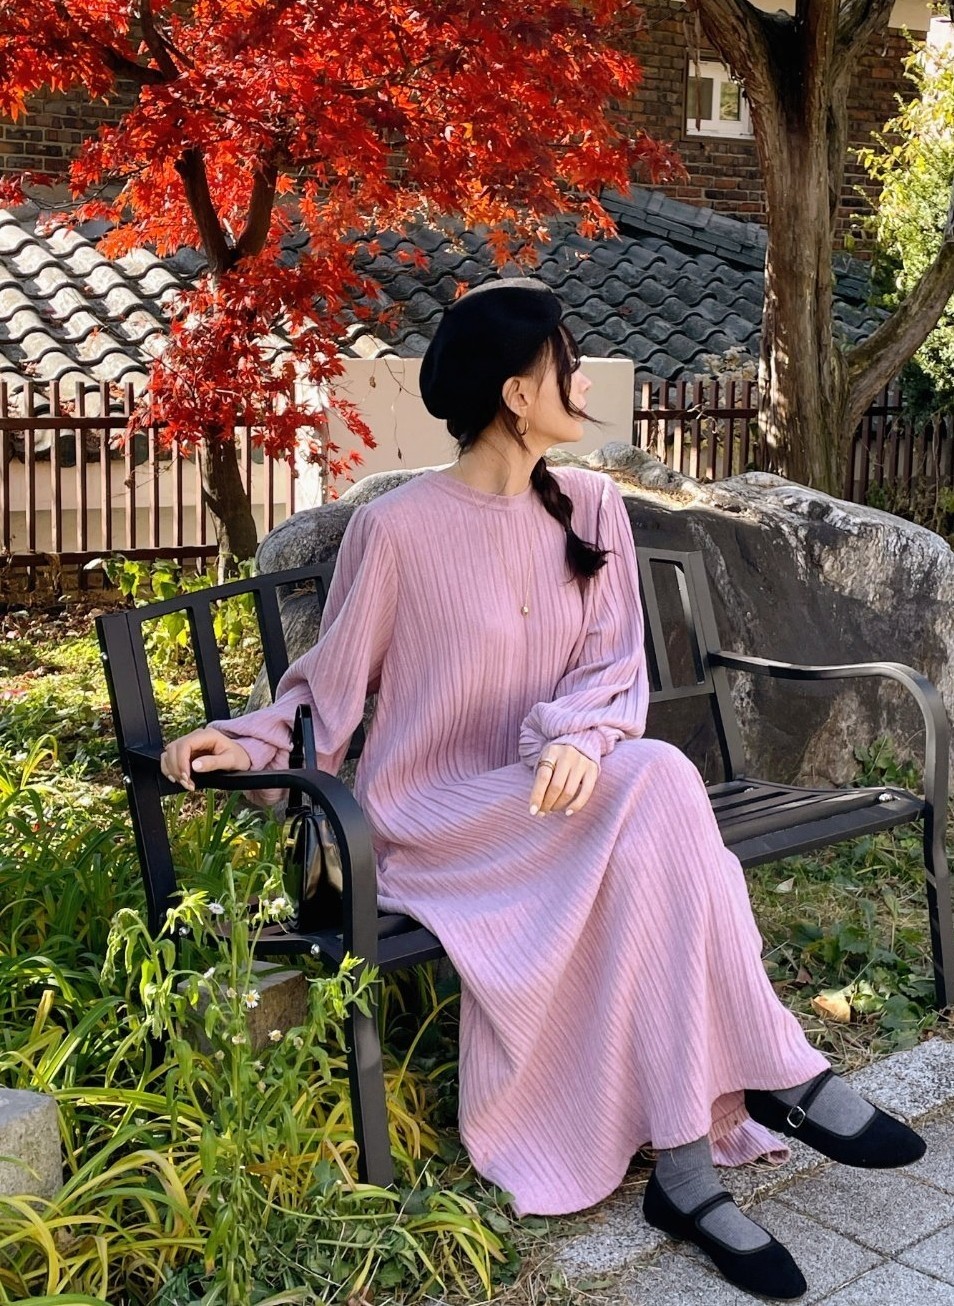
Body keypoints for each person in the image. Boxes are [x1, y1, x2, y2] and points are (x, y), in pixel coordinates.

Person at [160, 278, 926, 1302]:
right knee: (659, 781)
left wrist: (578, 736)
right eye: (567, 364)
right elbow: (325, 694)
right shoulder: (398, 531)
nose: (583, 381)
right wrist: (242, 741)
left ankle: (687, 1171)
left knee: (652, 812)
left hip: (557, 802)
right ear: (518, 393)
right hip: (438, 818)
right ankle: (779, 1074)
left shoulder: (594, 506)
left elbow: (613, 669)